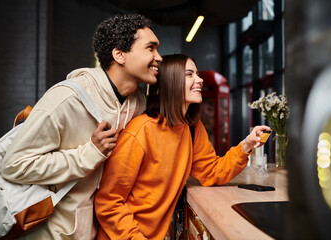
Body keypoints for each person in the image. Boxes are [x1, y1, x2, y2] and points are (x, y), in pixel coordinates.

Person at [1, 13, 162, 239]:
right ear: (119, 54)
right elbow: (14, 165)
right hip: (49, 231)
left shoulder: (138, 104)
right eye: (151, 48)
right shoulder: (66, 98)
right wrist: (88, 154)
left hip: (97, 232)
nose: (159, 57)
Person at [95, 54, 271, 240]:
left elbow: (212, 172)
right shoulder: (140, 132)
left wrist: (247, 144)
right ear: (171, 81)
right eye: (190, 74)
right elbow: (109, 202)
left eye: (197, 74)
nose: (200, 80)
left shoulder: (192, 128)